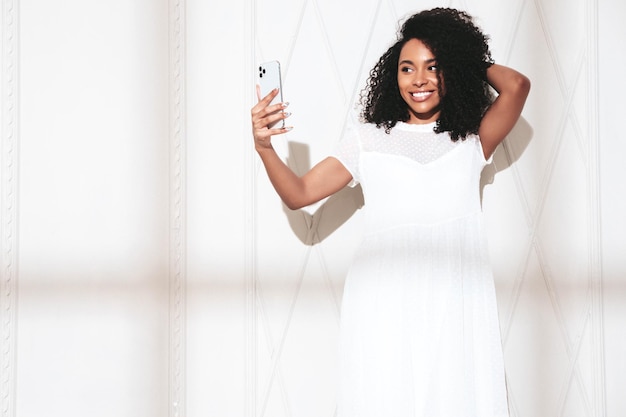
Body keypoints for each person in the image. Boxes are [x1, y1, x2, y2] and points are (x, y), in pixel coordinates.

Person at [251, 7, 530, 417]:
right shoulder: (367, 141)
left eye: (433, 67)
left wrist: (459, 54)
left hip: (455, 297)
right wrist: (264, 147)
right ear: (392, 75)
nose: (419, 80)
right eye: (407, 68)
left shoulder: (472, 140)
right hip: (383, 298)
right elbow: (300, 193)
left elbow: (518, 85)